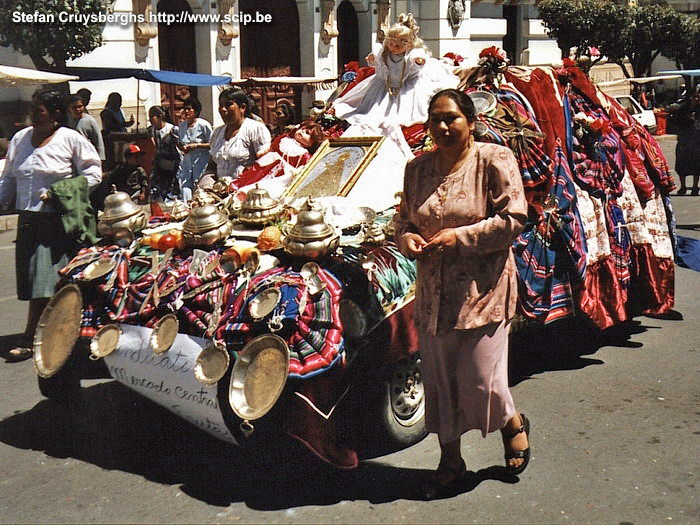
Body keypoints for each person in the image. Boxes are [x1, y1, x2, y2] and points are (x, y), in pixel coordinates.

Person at [394, 89, 530, 498]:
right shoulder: (416, 169)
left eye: (451, 118)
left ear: (470, 121)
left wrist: (462, 237)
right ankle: (450, 461)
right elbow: (402, 221)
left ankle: (510, 421)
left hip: (482, 289)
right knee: (440, 383)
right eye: (435, 119)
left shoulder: (493, 159)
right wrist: (407, 240)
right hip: (434, 294)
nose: (442, 126)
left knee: (480, 380)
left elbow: (515, 218)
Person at [0, 88, 102, 362]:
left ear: (56, 113)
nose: (33, 115)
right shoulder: (20, 139)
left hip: (59, 221)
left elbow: (93, 173)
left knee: (46, 284)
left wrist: (62, 191)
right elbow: (9, 178)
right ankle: (64, 334)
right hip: (30, 221)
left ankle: (31, 337)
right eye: (32, 109)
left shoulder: (70, 139)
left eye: (39, 110)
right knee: (37, 282)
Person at [332, 13, 458, 127]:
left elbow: (419, 59)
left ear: (408, 45)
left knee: (409, 113)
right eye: (391, 44)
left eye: (398, 45)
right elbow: (375, 61)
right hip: (383, 87)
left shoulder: (411, 55)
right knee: (369, 111)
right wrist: (372, 58)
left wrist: (419, 60)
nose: (393, 48)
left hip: (407, 88)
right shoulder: (383, 53)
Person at [197, 89, 270, 188]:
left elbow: (265, 163)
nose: (223, 109)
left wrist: (245, 178)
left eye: (228, 104)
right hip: (221, 192)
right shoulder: (217, 133)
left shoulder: (255, 129)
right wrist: (206, 181)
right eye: (221, 105)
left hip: (247, 191)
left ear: (242, 107)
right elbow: (213, 163)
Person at [176, 97, 212, 201]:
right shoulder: (182, 126)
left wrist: (196, 146)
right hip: (187, 163)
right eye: (185, 109)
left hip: (201, 163)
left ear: (195, 110)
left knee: (200, 190)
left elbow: (212, 144)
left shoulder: (203, 125)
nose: (186, 111)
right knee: (185, 187)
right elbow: (180, 142)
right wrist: (182, 147)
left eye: (189, 109)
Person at [92, 144, 149, 209]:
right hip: (122, 195)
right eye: (135, 156)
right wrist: (101, 175)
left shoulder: (139, 170)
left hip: (135, 194)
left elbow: (144, 182)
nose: (137, 159)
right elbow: (111, 175)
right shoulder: (121, 168)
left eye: (139, 156)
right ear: (128, 158)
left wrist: (143, 193)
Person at [147, 105, 180, 201]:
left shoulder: (173, 130)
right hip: (160, 166)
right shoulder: (152, 130)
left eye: (151, 117)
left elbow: (179, 149)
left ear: (160, 117)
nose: (150, 120)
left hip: (172, 166)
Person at [671, 92, 700, 195]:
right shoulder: (683, 109)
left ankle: (695, 187)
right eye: (695, 97)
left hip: (697, 141)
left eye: (698, 98)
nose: (696, 99)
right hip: (685, 139)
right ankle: (682, 187)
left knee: (697, 165)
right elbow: (675, 122)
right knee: (681, 164)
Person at [66, 94, 106, 161]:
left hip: (87, 156)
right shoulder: (66, 121)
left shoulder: (90, 121)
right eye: (74, 107)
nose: (78, 109)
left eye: (80, 106)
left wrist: (101, 158)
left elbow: (98, 141)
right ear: (69, 108)